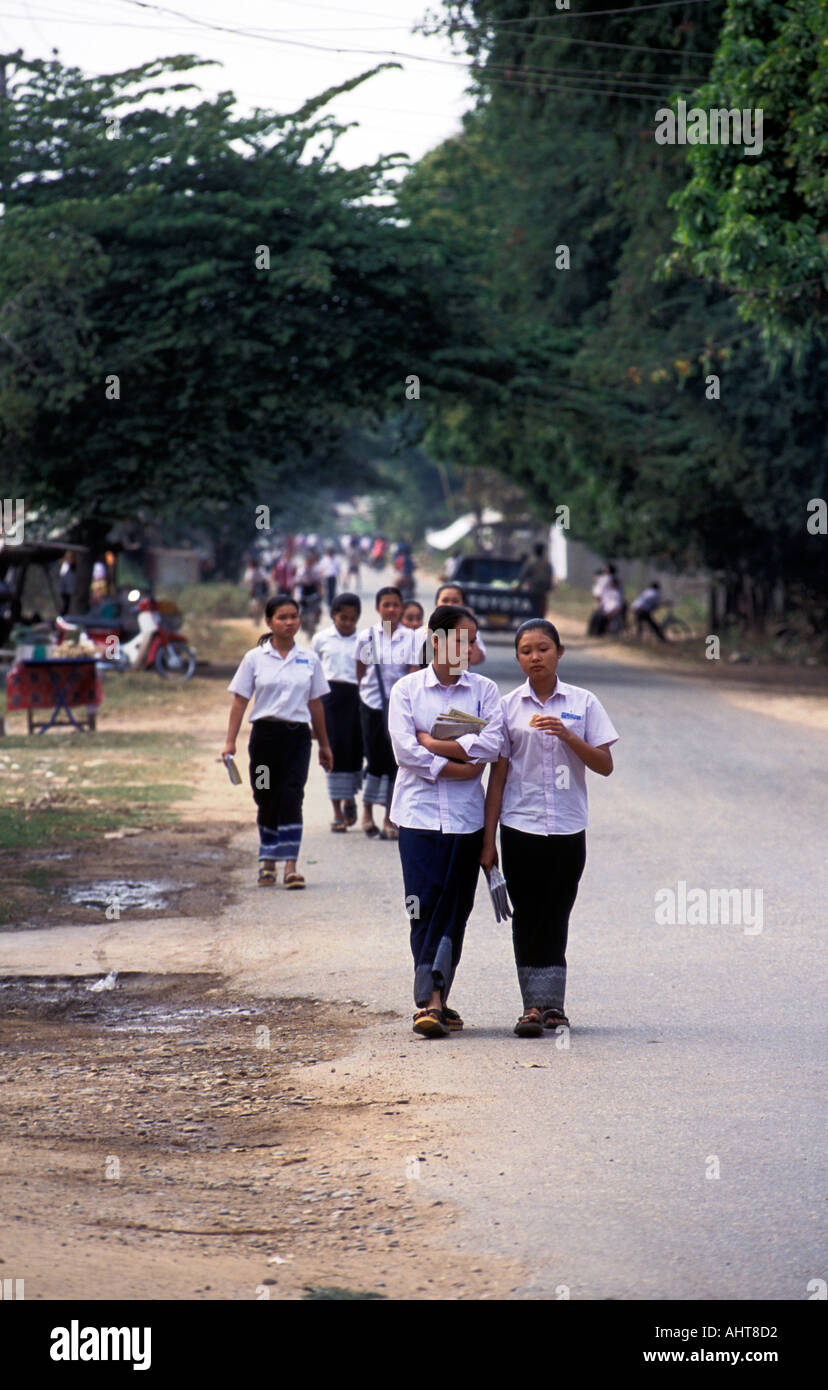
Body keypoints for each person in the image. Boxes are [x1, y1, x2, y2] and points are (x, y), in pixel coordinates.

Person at [481, 619, 618, 1036]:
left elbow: (604, 765)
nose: (535, 657)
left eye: (543, 648)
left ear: (559, 652)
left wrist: (567, 735)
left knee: (557, 912)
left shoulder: (584, 702)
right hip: (520, 825)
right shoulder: (506, 707)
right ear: (518, 657)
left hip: (567, 828)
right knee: (527, 914)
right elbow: (498, 777)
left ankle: (553, 1007)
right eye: (526, 650)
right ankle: (531, 1008)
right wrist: (488, 842)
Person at [389, 604, 503, 1037]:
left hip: (466, 820)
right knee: (422, 904)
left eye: (473, 639)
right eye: (463, 638)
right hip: (417, 816)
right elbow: (404, 751)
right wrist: (459, 763)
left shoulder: (485, 691)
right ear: (436, 640)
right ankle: (429, 1001)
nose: (471, 647)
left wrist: (433, 742)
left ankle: (439, 997)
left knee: (456, 908)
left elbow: (491, 746)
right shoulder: (407, 690)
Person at [222, 594, 333, 889]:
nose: (289, 622)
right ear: (269, 622)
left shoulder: (309, 658)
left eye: (293, 616)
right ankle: (267, 861)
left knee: (292, 795)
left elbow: (316, 705)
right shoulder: (254, 659)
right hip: (264, 740)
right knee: (265, 795)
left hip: (297, 739)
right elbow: (239, 701)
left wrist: (324, 744)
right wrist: (230, 742)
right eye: (282, 617)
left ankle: (290, 866)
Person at [355, 585, 420, 839]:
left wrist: (401, 697)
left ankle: (388, 817)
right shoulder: (367, 637)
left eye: (396, 604)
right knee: (374, 759)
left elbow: (414, 669)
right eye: (386, 604)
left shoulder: (411, 638)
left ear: (401, 607)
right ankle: (367, 810)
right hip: (371, 705)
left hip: (399, 708)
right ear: (377, 608)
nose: (391, 609)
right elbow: (361, 672)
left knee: (394, 761)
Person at [312, 592, 363, 832]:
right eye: (343, 618)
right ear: (333, 616)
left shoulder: (364, 642)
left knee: (354, 753)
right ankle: (336, 811)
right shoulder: (321, 639)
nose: (347, 623)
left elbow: (370, 674)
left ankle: (349, 797)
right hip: (329, 700)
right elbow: (312, 674)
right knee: (332, 753)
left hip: (356, 699)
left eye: (352, 619)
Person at [434, 583, 487, 664]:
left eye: (455, 601)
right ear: (436, 604)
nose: (450, 605)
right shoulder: (425, 631)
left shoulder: (469, 631)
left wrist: (469, 621)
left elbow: (475, 659)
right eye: (445, 600)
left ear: (463, 605)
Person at [518, 543, 554, 618]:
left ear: (534, 551)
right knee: (541, 609)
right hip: (543, 591)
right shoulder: (547, 564)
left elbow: (523, 576)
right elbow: (550, 578)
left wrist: (519, 587)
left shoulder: (531, 563)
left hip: (533, 591)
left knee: (532, 608)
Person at [319, 546, 340, 610]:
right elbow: (321, 569)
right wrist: (322, 576)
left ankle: (332, 603)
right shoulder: (324, 560)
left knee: (332, 591)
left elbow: (337, 569)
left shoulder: (336, 560)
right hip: (326, 577)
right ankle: (328, 604)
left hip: (333, 577)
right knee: (327, 591)